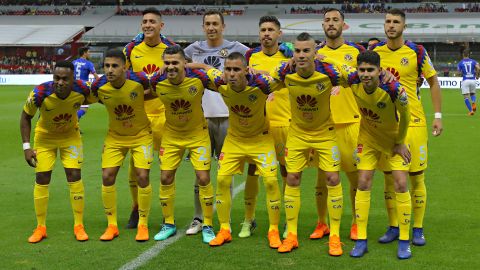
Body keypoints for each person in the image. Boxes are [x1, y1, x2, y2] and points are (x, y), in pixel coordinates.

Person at [272, 32, 360, 256]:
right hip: (297, 133)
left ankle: (335, 236)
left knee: (332, 178)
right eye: (298, 51)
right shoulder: (286, 71)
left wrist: (330, 60)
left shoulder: (328, 72)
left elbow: (355, 76)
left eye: (306, 51)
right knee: (292, 178)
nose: (301, 55)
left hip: (325, 133)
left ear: (314, 52)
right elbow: (266, 79)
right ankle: (291, 235)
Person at [372, 8, 443, 247]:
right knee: (390, 178)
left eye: (395, 22)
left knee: (416, 176)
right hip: (386, 125)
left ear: (404, 26)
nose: (391, 25)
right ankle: (394, 226)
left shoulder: (417, 52)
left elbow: (433, 82)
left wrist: (438, 116)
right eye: (387, 22)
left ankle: (418, 228)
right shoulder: (375, 52)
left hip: (413, 123)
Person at [205, 52, 283, 249]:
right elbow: (204, 69)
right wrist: (187, 66)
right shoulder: (220, 83)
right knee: (222, 179)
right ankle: (224, 230)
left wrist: (272, 68)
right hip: (235, 139)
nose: (231, 74)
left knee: (272, 181)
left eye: (236, 69)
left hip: (261, 139)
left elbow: (282, 78)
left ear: (246, 70)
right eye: (228, 69)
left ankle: (273, 230)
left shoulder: (261, 85)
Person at [183, 10, 249, 235]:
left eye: (215, 24)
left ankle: (224, 217)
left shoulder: (238, 48)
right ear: (203, 27)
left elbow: (256, 61)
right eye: (207, 24)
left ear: (223, 26)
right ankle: (198, 217)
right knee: (200, 172)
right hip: (201, 118)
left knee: (224, 172)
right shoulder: (192, 50)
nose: (211, 27)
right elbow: (178, 66)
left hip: (229, 117)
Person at [149, 46, 219, 244]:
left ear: (184, 64)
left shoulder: (198, 78)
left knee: (203, 177)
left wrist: (204, 65)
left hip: (198, 134)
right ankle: (168, 224)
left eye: (175, 63)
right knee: (165, 176)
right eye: (167, 63)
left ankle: (207, 224)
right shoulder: (157, 80)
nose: (171, 67)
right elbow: (144, 90)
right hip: (171, 136)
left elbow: (221, 82)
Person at [348, 50, 412, 259]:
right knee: (363, 182)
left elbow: (406, 116)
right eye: (362, 70)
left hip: (394, 140)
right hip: (368, 139)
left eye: (370, 70)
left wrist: (401, 143)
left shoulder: (393, 88)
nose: (365, 74)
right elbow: (334, 65)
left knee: (401, 184)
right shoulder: (351, 80)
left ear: (379, 70)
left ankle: (404, 241)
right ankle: (361, 240)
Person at [20, 61, 90, 243]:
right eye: (56, 78)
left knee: (74, 175)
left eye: (65, 79)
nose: (60, 82)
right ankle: (40, 227)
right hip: (45, 138)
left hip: (70, 136)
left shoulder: (82, 89)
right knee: (42, 177)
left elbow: (101, 95)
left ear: (73, 78)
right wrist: (27, 147)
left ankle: (79, 225)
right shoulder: (40, 93)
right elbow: (25, 117)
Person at [312, 8, 365, 241]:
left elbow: (362, 76)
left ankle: (355, 223)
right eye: (327, 20)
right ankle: (322, 223)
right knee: (322, 179)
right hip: (324, 126)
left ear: (344, 25)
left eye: (335, 20)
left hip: (351, 123)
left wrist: (331, 62)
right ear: (322, 26)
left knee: (355, 178)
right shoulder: (313, 54)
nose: (331, 23)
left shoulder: (356, 52)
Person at [90, 49, 153, 242]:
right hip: (115, 138)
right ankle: (112, 225)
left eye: (114, 66)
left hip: (141, 135)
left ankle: (143, 224)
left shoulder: (139, 79)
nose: (110, 70)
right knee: (107, 176)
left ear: (125, 67)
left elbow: (156, 89)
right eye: (107, 66)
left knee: (142, 176)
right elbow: (88, 99)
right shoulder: (98, 86)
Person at [122, 7, 176, 229]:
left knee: (167, 168)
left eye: (152, 21)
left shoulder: (170, 50)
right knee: (135, 168)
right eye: (144, 21)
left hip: (165, 115)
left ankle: (167, 212)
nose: (147, 25)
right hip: (139, 116)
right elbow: (122, 78)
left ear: (161, 26)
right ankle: (136, 208)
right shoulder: (131, 49)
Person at [240, 15, 292, 239]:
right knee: (253, 171)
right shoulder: (251, 56)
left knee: (286, 172)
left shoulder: (289, 55)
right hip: (258, 125)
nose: (267, 33)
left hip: (284, 123)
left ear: (279, 34)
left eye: (271, 30)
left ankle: (288, 222)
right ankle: (249, 219)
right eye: (263, 30)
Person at [73, 46, 99, 120]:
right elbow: (96, 77)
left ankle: (75, 128)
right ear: (84, 53)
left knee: (75, 108)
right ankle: (72, 122)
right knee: (84, 109)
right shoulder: (88, 63)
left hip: (73, 87)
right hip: (83, 88)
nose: (89, 54)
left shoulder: (74, 62)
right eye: (88, 52)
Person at [457, 48, 480, 115]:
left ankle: (471, 111)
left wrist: (461, 73)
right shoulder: (473, 61)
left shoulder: (460, 63)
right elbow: (478, 68)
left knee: (466, 96)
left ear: (463, 55)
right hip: (473, 80)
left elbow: (458, 73)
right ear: (469, 54)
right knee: (472, 93)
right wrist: (477, 75)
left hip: (465, 80)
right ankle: (473, 102)